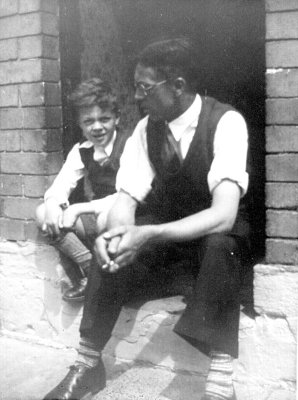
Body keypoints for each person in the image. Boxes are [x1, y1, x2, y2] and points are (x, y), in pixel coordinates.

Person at [43, 38, 252, 400]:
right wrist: (121, 234)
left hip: (214, 257)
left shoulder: (226, 122)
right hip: (171, 254)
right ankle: (88, 364)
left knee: (223, 243)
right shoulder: (145, 129)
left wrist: (148, 233)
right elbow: (126, 198)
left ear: (178, 87)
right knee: (112, 240)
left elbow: (224, 214)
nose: (137, 97)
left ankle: (220, 384)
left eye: (144, 88)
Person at [36, 78, 129, 302]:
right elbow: (60, 186)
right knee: (43, 213)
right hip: (96, 218)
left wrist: (79, 208)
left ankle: (101, 274)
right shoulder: (82, 150)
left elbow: (127, 195)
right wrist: (52, 204)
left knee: (111, 215)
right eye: (89, 121)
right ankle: (89, 269)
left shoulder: (130, 144)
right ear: (80, 123)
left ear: (117, 118)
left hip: (124, 216)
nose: (97, 127)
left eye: (104, 119)